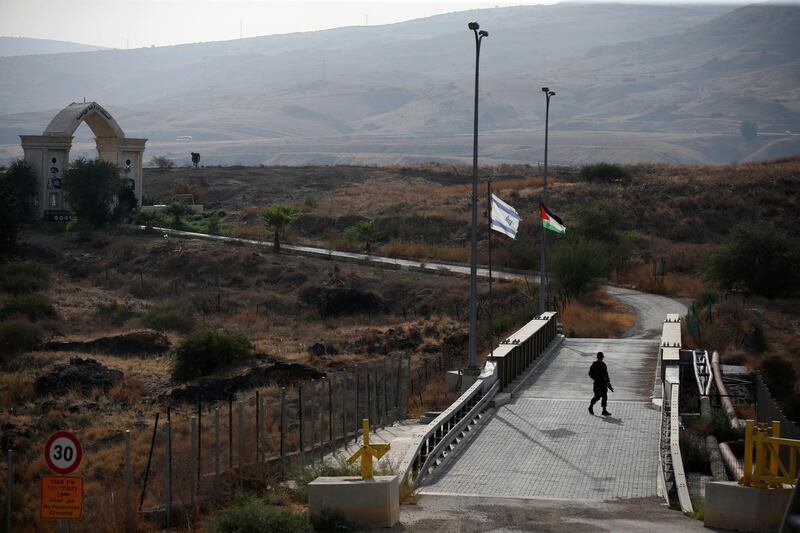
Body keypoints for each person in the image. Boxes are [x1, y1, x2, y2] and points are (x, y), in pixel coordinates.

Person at [588, 352, 614, 416]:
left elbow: (606, 375)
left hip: (604, 384)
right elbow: (590, 373)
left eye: (602, 358)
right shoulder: (594, 365)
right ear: (597, 358)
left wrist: (609, 384)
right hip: (597, 384)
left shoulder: (604, 365)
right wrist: (595, 378)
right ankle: (590, 407)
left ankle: (604, 410)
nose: (601, 359)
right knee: (597, 397)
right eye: (600, 358)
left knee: (605, 397)